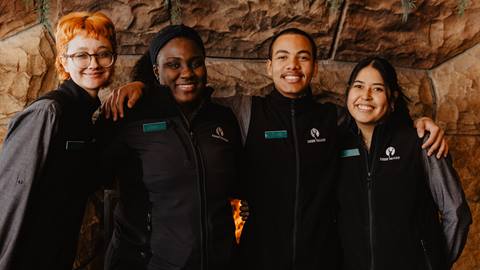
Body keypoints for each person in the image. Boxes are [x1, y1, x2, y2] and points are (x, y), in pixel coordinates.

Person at [104, 28, 449, 270]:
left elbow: (372, 116)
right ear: (269, 66)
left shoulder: (335, 119)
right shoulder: (242, 111)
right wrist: (142, 86)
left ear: (314, 65)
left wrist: (417, 123)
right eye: (282, 56)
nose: (292, 66)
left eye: (303, 57)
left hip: (321, 260)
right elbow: (188, 96)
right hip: (256, 260)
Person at [101, 25, 243, 270]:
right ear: (156, 72)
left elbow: (241, 180)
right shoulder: (130, 117)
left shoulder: (223, 119)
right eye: (174, 65)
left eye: (195, 63)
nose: (187, 72)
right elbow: (95, 176)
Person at [0, 12, 117, 270]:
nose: (93, 63)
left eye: (103, 53)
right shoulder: (49, 112)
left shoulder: (88, 116)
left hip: (57, 255)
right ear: (63, 61)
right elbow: (8, 198)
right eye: (81, 55)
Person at [337, 56, 471, 270]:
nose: (366, 96)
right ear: (348, 92)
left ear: (392, 98)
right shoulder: (334, 145)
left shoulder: (421, 143)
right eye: (359, 86)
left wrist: (436, 263)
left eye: (378, 89)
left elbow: (456, 212)